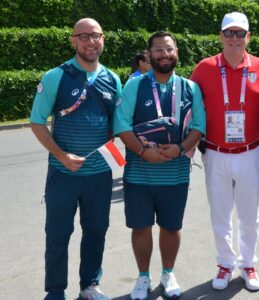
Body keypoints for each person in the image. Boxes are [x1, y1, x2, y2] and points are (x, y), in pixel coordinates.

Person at [30, 18, 122, 300]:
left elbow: (118, 126)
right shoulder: (56, 76)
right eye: (83, 36)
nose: (90, 41)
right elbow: (36, 122)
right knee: (58, 234)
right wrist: (61, 154)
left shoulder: (113, 79)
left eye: (95, 36)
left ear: (103, 39)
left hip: (98, 175)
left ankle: (90, 286)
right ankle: (56, 290)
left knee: (96, 231)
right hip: (63, 173)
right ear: (73, 41)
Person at [190, 12, 259, 291]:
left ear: (248, 37)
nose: (234, 38)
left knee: (249, 215)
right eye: (229, 33)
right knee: (220, 213)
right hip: (215, 152)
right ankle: (225, 263)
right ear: (221, 36)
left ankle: (248, 264)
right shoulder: (204, 68)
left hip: (250, 152)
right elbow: (188, 107)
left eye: (240, 33)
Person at [114, 31, 206, 300]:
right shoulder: (135, 85)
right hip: (139, 174)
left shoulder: (190, 87)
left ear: (176, 51)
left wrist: (180, 148)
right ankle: (143, 277)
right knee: (140, 227)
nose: (164, 54)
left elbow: (199, 126)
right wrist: (143, 151)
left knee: (171, 227)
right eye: (158, 50)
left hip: (176, 174)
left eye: (169, 49)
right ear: (149, 54)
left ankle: (168, 272)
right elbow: (121, 124)